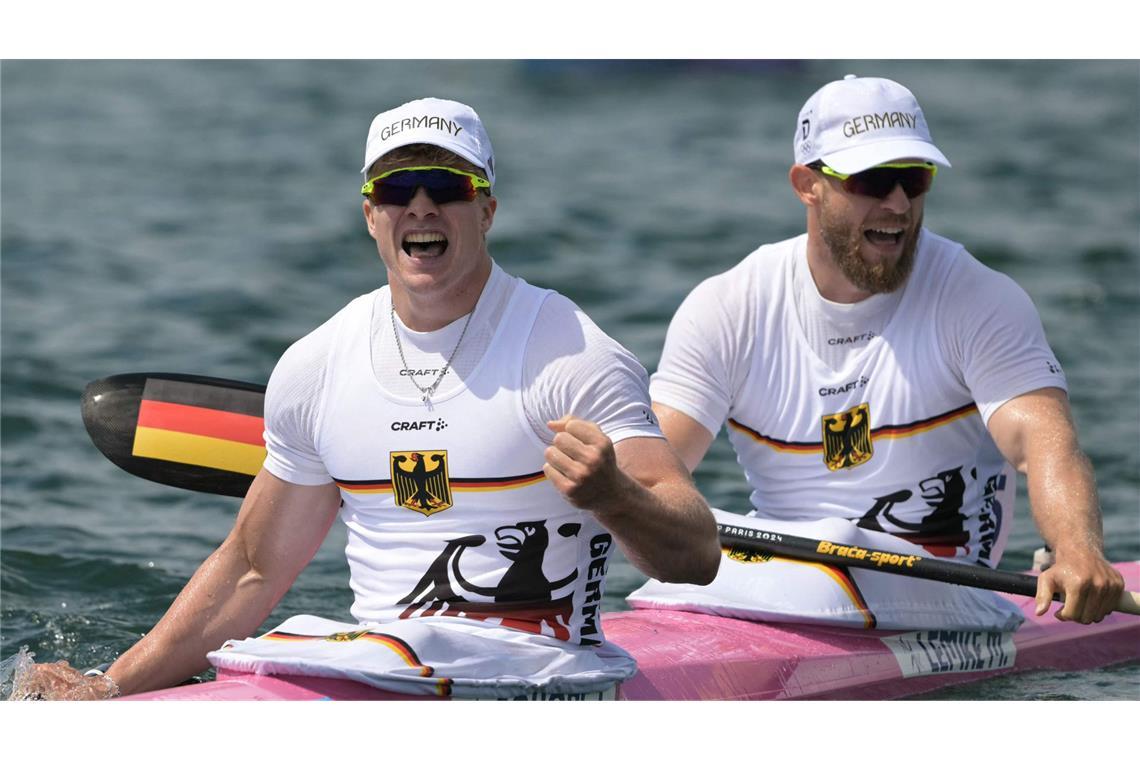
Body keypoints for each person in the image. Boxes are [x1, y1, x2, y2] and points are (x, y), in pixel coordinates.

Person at [21, 97, 720, 700]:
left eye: (444, 184)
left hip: (541, 672)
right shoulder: (317, 366)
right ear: (370, 214)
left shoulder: (571, 355)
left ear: (486, 208)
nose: (419, 204)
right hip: (374, 669)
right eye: (397, 187)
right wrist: (111, 687)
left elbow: (696, 555)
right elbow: (252, 570)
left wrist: (613, 496)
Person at [646, 75, 1124, 626]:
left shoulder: (977, 299)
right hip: (773, 577)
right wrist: (603, 483)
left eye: (914, 179)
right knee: (673, 567)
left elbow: (1045, 442)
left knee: (830, 548)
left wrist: (1077, 550)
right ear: (807, 184)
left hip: (944, 590)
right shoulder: (728, 306)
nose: (898, 203)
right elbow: (658, 468)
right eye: (874, 180)